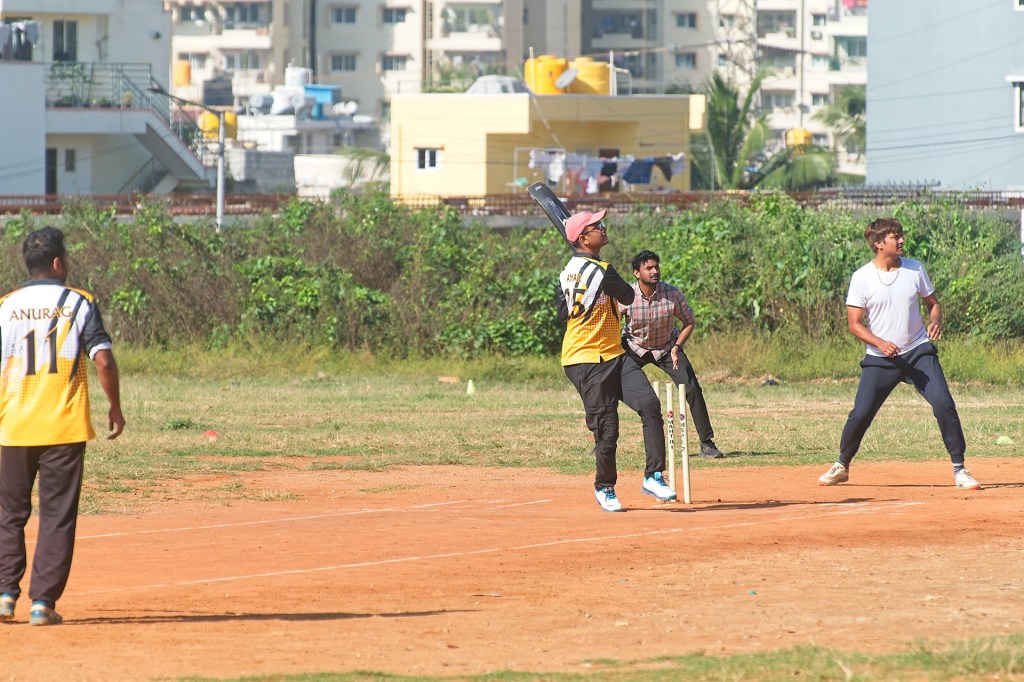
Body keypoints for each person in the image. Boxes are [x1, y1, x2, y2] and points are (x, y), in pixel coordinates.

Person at [0, 226, 125, 626]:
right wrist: (115, 406)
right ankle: (42, 603)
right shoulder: (79, 301)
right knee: (56, 515)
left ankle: (4, 596)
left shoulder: (5, 306)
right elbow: (103, 360)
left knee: (8, 513)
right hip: (63, 428)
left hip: (14, 426)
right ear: (57, 263)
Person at [818, 218, 979, 490]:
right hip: (881, 358)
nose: (901, 240)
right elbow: (854, 324)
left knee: (944, 403)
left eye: (901, 235)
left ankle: (960, 469)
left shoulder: (915, 269)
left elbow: (933, 303)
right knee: (861, 413)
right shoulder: (862, 277)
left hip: (918, 351)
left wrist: (935, 320)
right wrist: (880, 343)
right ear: (879, 244)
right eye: (895, 237)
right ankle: (842, 465)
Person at [556, 210, 676, 512]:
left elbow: (561, 313)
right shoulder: (601, 270)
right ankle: (605, 486)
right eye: (597, 226)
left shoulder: (566, 272)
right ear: (584, 238)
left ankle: (653, 476)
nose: (604, 228)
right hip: (585, 358)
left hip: (614, 353)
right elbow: (627, 296)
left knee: (649, 404)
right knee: (607, 428)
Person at [621, 250, 725, 459]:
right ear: (637, 273)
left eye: (656, 267)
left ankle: (707, 444)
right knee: (608, 387)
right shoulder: (626, 296)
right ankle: (603, 442)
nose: (654, 271)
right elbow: (611, 323)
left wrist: (677, 346)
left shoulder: (672, 294)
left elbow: (689, 322)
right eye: (648, 268)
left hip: (667, 348)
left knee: (692, 389)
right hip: (634, 348)